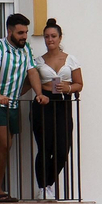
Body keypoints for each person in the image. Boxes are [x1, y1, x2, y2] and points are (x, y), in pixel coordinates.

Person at [0, 13, 46, 203]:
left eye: (26, 32)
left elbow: (32, 71)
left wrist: (39, 93)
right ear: (9, 31)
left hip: (13, 105)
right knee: (4, 144)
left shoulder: (26, 48)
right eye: (20, 32)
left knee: (4, 147)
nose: (24, 36)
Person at [31, 19, 83, 190]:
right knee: (45, 147)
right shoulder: (38, 61)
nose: (50, 39)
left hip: (62, 102)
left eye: (53, 36)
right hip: (44, 102)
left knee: (62, 149)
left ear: (60, 38)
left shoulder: (71, 59)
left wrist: (67, 88)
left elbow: (79, 84)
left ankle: (49, 182)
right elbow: (30, 81)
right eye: (46, 37)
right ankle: (43, 188)